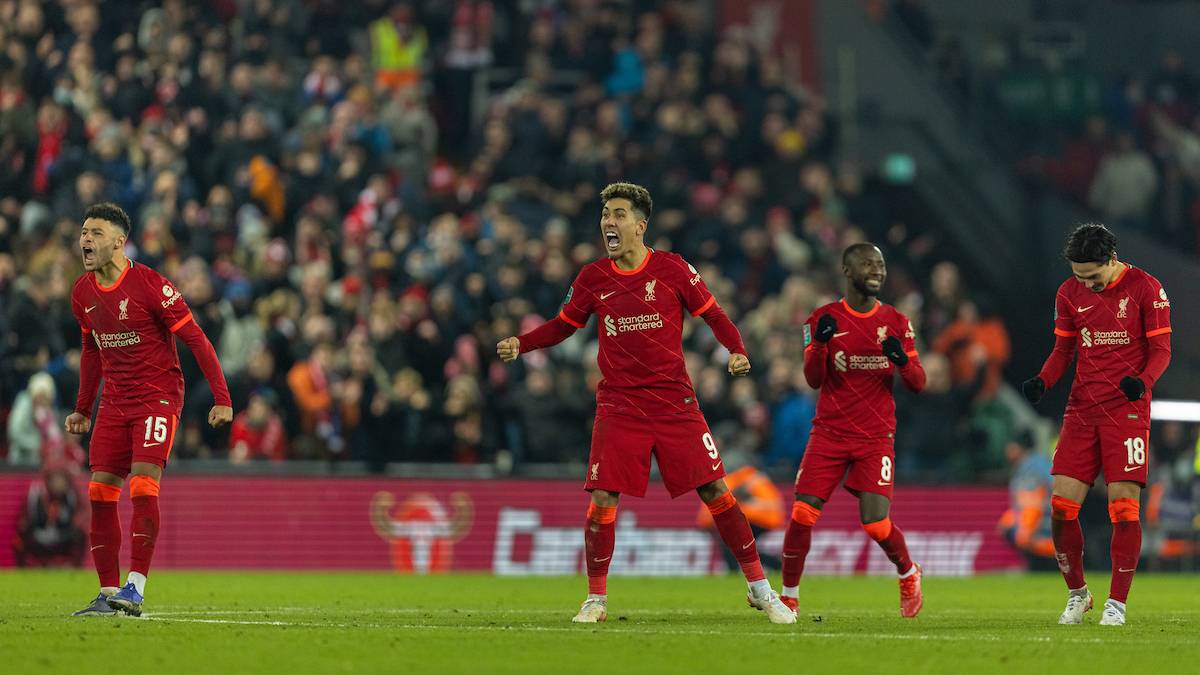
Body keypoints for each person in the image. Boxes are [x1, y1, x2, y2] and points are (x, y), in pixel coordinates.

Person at [496, 182, 795, 624]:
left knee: (716, 491)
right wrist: (522, 344)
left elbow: (713, 313)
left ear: (640, 225)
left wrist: (736, 349)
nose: (607, 223)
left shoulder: (673, 269)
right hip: (619, 405)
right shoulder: (593, 278)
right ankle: (595, 599)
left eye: (617, 215)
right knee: (602, 498)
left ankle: (759, 588)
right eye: (604, 216)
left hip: (675, 402)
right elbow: (563, 326)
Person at [66, 203, 233, 617]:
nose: (86, 239)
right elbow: (91, 351)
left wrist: (223, 397)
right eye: (84, 232)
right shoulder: (82, 293)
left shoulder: (151, 285)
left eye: (97, 233)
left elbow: (196, 339)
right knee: (100, 491)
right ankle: (107, 595)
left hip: (158, 395)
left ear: (120, 242)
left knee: (143, 483)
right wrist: (84, 408)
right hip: (114, 401)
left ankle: (135, 587)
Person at [1021, 223, 1171, 626]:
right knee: (1060, 508)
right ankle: (1078, 594)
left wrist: (1142, 383)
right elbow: (1063, 350)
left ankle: (1116, 604)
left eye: (1093, 276)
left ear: (1112, 260)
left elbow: (1161, 350)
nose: (1086, 284)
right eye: (1078, 275)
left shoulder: (1146, 288)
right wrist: (1043, 380)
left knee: (1123, 510)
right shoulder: (1069, 293)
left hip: (1126, 410)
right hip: (1081, 410)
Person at [780, 243, 927, 618]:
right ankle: (789, 597)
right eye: (868, 264)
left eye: (880, 264)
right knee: (801, 515)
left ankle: (908, 573)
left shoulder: (896, 321)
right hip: (829, 432)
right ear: (847, 271)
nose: (877, 270)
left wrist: (901, 361)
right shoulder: (821, 319)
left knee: (876, 524)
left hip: (876, 437)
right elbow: (813, 379)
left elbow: (918, 383)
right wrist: (819, 345)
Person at [997, 430, 1057, 570]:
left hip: (1044, 533)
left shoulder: (1030, 470)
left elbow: (1032, 503)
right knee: (1008, 524)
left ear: (1018, 447)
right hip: (1053, 528)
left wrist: (1026, 533)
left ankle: (1037, 565)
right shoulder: (1038, 463)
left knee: (1012, 529)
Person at [11, 463, 87, 568]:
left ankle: (76, 567)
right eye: (55, 479)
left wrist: (75, 524)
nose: (59, 483)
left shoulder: (72, 495)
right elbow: (24, 520)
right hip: (39, 534)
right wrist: (27, 529)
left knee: (81, 534)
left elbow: (82, 515)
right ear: (47, 480)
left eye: (62, 479)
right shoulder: (34, 494)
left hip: (64, 534)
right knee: (19, 539)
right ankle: (21, 569)